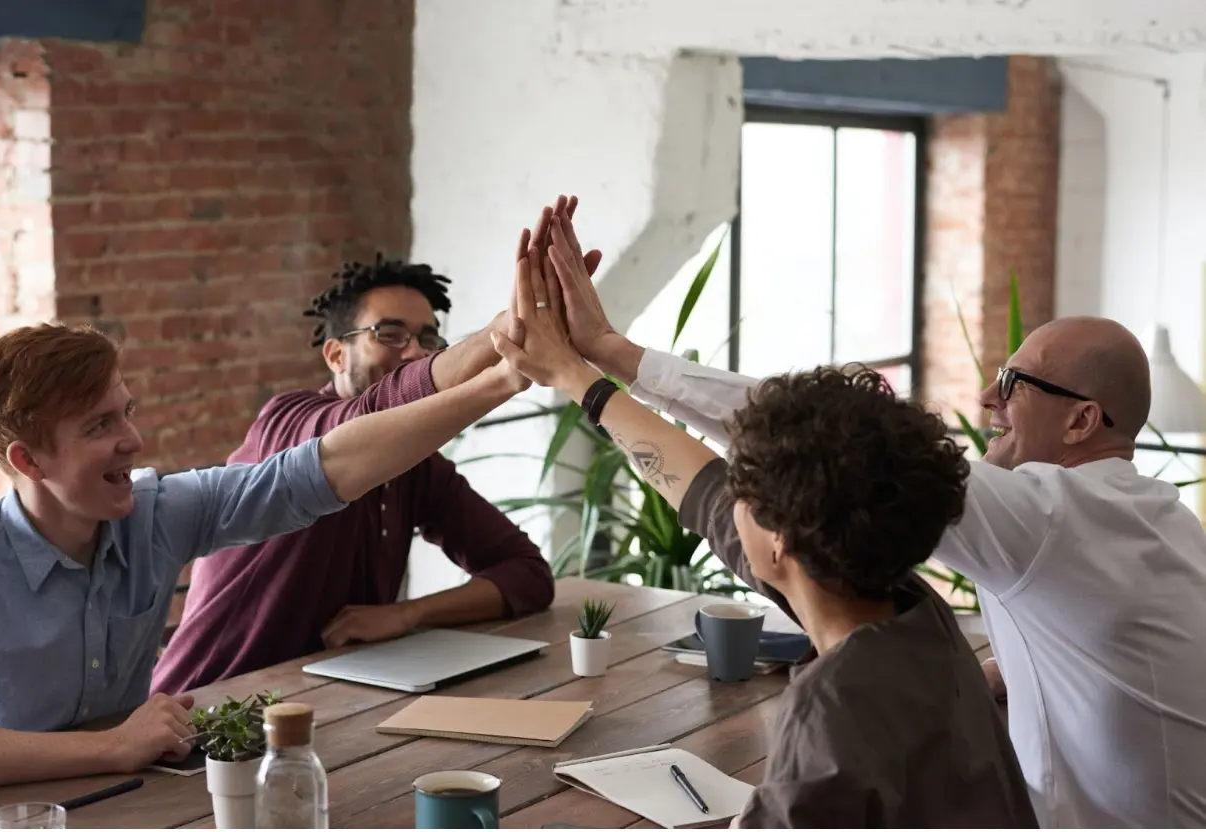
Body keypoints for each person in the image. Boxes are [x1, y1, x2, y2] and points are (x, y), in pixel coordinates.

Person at [542, 200, 1206, 827]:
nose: (985, 396)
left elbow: (820, 440)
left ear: (1082, 419)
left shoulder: (1050, 519)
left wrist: (607, 359)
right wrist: (998, 678)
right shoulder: (1151, 521)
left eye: (1011, 383)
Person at [488, 233, 1036, 827]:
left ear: (782, 538)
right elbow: (702, 493)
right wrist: (579, 376)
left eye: (742, 488)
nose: (728, 497)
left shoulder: (835, 710)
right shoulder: (911, 610)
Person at [0, 297, 529, 786]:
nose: (132, 440)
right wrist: (112, 745)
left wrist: (503, 380)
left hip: (138, 799)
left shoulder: (155, 514)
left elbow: (322, 469)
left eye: (126, 413)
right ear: (28, 459)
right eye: (99, 426)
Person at [154, 216, 600, 690]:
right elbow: (373, 414)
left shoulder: (418, 466)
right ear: (335, 355)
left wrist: (407, 614)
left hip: (335, 707)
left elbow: (527, 575)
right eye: (389, 334)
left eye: (428, 339)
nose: (414, 353)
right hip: (206, 715)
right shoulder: (289, 421)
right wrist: (502, 336)